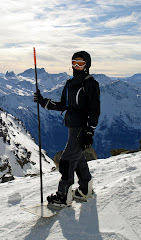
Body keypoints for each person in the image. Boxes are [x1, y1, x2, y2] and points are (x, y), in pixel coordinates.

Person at [34, 51, 100, 206]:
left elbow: (95, 109)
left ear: (87, 65)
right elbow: (63, 105)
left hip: (82, 128)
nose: (77, 66)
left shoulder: (90, 83)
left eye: (80, 63)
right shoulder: (70, 83)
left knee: (66, 161)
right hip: (72, 126)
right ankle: (85, 189)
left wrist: (90, 130)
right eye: (74, 63)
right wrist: (43, 101)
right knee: (77, 157)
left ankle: (63, 196)